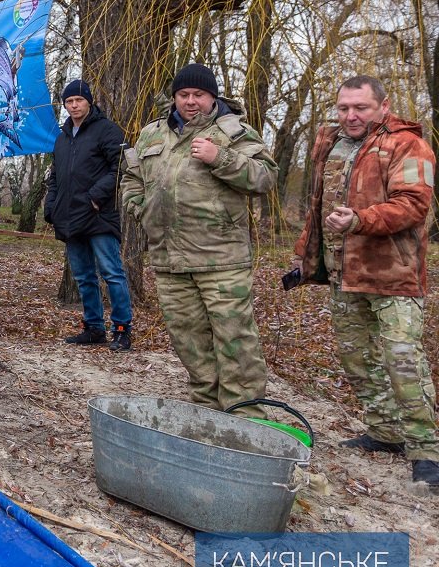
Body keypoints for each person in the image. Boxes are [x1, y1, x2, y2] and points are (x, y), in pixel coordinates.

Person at [292, 75, 438, 488]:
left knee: (403, 361)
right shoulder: (331, 143)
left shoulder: (407, 144)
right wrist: (307, 253)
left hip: (394, 274)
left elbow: (413, 205)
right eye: (344, 108)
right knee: (358, 359)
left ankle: (426, 448)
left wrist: (360, 220)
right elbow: (318, 205)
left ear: (383, 106)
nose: (351, 116)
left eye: (361, 108)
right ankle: (385, 431)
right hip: (345, 273)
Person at [120, 63, 276, 418]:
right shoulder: (152, 134)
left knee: (235, 342)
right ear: (175, 97)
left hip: (221, 259)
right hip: (169, 259)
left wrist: (219, 157)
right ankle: (208, 411)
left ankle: (246, 417)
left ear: (213, 96)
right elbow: (132, 177)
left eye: (199, 95)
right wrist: (139, 207)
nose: (191, 102)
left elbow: (265, 178)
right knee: (189, 342)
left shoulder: (234, 132)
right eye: (184, 95)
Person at [44, 79, 133, 351]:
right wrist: (51, 205)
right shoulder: (62, 137)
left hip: (98, 215)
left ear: (89, 102)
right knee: (83, 276)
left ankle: (122, 328)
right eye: (69, 102)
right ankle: (94, 327)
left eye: (78, 101)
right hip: (70, 217)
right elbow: (56, 176)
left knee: (112, 272)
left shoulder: (106, 131)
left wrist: (97, 195)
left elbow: (120, 166)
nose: (73, 106)